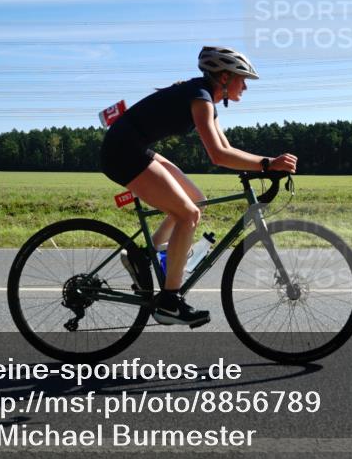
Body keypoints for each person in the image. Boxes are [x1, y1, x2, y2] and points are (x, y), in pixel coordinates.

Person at [100, 46, 298, 326]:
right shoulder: (200, 97)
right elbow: (217, 155)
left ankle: (142, 257)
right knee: (188, 214)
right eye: (243, 79)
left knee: (196, 200)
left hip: (133, 146)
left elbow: (227, 148)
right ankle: (169, 302)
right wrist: (268, 164)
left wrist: (265, 164)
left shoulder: (206, 101)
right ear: (225, 77)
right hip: (123, 151)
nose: (246, 86)